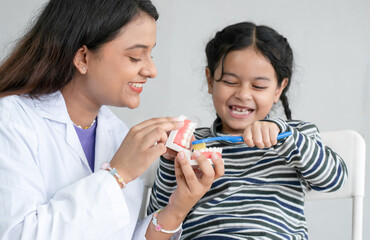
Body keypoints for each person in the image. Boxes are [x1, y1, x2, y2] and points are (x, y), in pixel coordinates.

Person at [0, 0, 224, 239]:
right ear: (83, 58)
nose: (151, 70)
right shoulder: (11, 120)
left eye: (151, 54)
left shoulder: (117, 133)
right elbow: (17, 234)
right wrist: (117, 175)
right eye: (136, 56)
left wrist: (178, 208)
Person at [148, 21, 348, 240]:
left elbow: (334, 179)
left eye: (259, 86)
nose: (243, 94)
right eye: (230, 81)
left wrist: (285, 137)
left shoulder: (293, 136)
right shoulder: (194, 143)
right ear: (210, 80)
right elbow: (157, 218)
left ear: (279, 89)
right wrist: (171, 162)